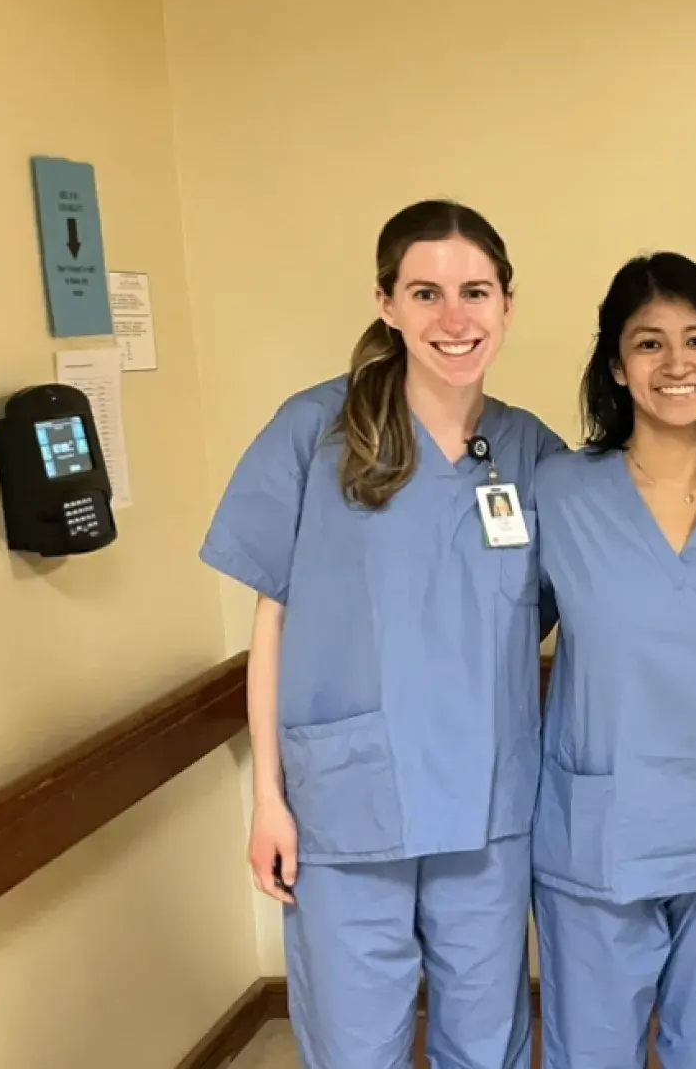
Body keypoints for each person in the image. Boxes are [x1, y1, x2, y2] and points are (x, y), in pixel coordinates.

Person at [200, 199, 558, 1069]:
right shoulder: (313, 433)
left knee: (487, 1042)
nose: (454, 318)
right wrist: (268, 800)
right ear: (386, 303)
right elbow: (272, 621)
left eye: (476, 291)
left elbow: (626, 556)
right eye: (425, 293)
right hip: (347, 805)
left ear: (508, 304)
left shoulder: (533, 452)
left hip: (487, 804)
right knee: (357, 1045)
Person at [530, 251, 696, 1069]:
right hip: (601, 835)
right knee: (594, 1054)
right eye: (649, 344)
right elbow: (483, 637)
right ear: (616, 364)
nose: (676, 364)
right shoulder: (559, 494)